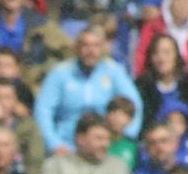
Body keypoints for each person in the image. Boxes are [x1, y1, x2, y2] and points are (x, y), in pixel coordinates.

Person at [37, 25, 141, 156]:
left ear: (102, 48)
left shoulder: (113, 70)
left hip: (105, 147)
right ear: (76, 48)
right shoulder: (60, 73)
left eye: (96, 46)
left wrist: (127, 136)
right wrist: (54, 144)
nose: (91, 51)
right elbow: (43, 110)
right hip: (66, 146)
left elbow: (134, 103)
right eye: (85, 46)